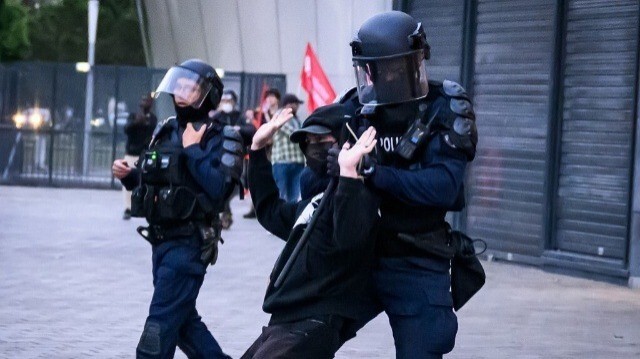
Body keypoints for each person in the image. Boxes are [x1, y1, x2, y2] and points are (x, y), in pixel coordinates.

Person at [330, 11, 481, 358]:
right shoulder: (356, 108)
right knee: (303, 331)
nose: (386, 77)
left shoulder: (444, 108)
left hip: (416, 257)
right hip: (359, 255)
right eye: (377, 69)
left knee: (423, 348)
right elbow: (314, 183)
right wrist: (331, 168)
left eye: (395, 67)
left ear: (416, 62)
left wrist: (376, 173)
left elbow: (442, 185)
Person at [111, 59, 243, 359]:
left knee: (157, 332)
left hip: (189, 244)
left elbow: (220, 190)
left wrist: (193, 150)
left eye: (190, 88)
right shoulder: (167, 130)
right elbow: (156, 180)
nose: (181, 93)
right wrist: (130, 177)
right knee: (184, 325)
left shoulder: (222, 136)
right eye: (179, 86)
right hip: (161, 243)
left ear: (207, 95)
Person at [241, 104, 381, 359]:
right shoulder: (315, 201)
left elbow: (349, 237)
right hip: (284, 320)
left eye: (321, 140)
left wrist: (349, 174)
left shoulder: (360, 195)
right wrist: (258, 149)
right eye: (308, 141)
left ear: (344, 141)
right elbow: (271, 211)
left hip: (314, 321)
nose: (314, 147)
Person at [211, 89, 256, 229]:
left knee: (233, 186)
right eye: (224, 101)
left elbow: (251, 130)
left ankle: (225, 211)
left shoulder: (240, 116)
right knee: (220, 185)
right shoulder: (216, 117)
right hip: (219, 156)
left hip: (236, 156)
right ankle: (224, 213)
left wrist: (239, 129)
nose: (226, 104)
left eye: (229, 101)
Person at [244, 88, 282, 219]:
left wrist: (267, 116)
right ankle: (254, 206)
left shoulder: (278, 113)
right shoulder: (260, 113)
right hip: (263, 148)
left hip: (276, 149)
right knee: (255, 175)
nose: (270, 99)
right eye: (268, 97)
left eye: (272, 97)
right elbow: (253, 125)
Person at [122, 94, 157, 220]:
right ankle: (127, 208)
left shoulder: (152, 119)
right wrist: (137, 122)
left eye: (147, 101)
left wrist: (145, 123)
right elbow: (126, 129)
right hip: (131, 153)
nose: (145, 103)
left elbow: (152, 134)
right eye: (143, 100)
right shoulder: (133, 116)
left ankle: (143, 206)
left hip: (144, 155)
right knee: (127, 180)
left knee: (144, 181)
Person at [270, 93, 305, 202]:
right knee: (281, 195)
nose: (297, 107)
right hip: (282, 162)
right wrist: (305, 136)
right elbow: (292, 133)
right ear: (288, 104)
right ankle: (279, 218)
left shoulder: (296, 119)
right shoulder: (279, 116)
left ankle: (290, 218)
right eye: (296, 104)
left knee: (294, 196)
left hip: (297, 162)